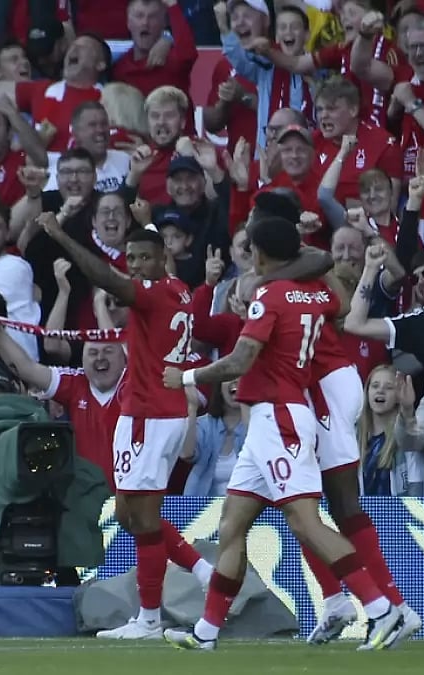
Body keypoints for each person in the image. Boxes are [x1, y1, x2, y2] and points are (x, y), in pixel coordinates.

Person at [158, 215, 404, 651]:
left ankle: (381, 609)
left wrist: (189, 378)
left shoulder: (269, 296)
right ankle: (206, 633)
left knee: (306, 522)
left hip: (279, 416)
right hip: (275, 419)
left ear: (258, 252)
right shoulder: (315, 291)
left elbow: (240, 360)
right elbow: (342, 307)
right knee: (232, 525)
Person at [38, 216, 202, 640]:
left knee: (143, 519)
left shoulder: (152, 294)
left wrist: (61, 236)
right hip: (146, 414)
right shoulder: (178, 289)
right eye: (130, 258)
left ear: (163, 258)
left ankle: (149, 619)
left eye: (144, 258)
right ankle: (203, 569)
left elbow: (105, 277)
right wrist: (143, 215)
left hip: (150, 415)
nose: (135, 265)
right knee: (130, 515)